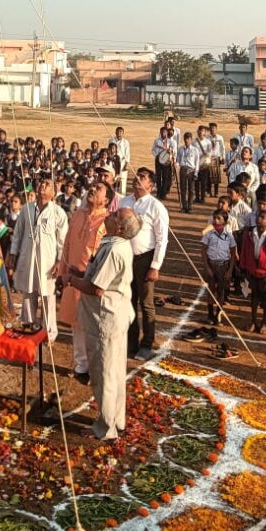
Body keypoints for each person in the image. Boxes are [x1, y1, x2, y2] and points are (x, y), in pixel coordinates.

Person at [63, 207, 141, 441]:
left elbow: (97, 288)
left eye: (116, 215)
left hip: (105, 319)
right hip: (113, 316)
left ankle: (105, 428)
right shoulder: (115, 244)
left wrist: (71, 280)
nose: (111, 214)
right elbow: (97, 277)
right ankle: (116, 419)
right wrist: (80, 274)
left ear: (119, 227)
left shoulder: (115, 249)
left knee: (104, 374)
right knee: (115, 372)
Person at [58, 183, 109, 382]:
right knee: (76, 323)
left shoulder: (107, 221)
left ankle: (96, 368)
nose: (93, 189)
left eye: (99, 189)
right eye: (93, 187)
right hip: (73, 278)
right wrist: (62, 271)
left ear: (105, 200)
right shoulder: (79, 214)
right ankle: (81, 366)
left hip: (93, 281)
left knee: (93, 327)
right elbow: (68, 242)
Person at [8, 179, 68, 340]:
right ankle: (28, 327)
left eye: (48, 184)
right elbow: (18, 234)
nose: (43, 185)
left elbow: (63, 241)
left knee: (48, 296)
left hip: (48, 262)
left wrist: (59, 261)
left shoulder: (58, 213)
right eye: (41, 183)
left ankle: (49, 333)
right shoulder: (27, 209)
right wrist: (13, 254)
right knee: (28, 294)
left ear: (53, 192)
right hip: (28, 258)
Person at [122, 167, 170, 361]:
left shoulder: (156, 206)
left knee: (146, 303)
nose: (137, 180)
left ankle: (147, 343)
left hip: (145, 259)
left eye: (142, 177)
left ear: (151, 185)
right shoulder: (125, 201)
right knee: (128, 301)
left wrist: (155, 266)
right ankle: (131, 342)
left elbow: (162, 239)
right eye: (137, 176)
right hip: (125, 258)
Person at [239, 207, 266, 334]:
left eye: (263, 218)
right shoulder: (250, 234)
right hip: (252, 271)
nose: (259, 219)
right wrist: (243, 267)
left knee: (265, 299)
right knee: (254, 298)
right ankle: (253, 321)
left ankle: (264, 322)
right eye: (259, 217)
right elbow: (244, 251)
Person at [201, 209, 237, 324]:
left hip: (223, 266)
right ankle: (210, 313)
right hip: (211, 264)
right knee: (211, 289)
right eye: (214, 218)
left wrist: (230, 270)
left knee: (221, 291)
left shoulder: (229, 236)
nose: (215, 221)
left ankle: (218, 314)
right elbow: (203, 251)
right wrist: (207, 268)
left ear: (225, 222)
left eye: (219, 218)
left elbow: (233, 252)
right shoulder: (209, 234)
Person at [177, 132, 200, 214]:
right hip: (183, 169)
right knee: (183, 189)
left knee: (191, 190)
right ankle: (184, 206)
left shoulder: (195, 150)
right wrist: (175, 164)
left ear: (191, 140)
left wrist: (196, 173)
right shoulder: (180, 149)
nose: (186, 140)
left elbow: (197, 162)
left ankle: (190, 206)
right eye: (185, 139)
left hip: (191, 170)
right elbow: (178, 160)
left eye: (188, 139)